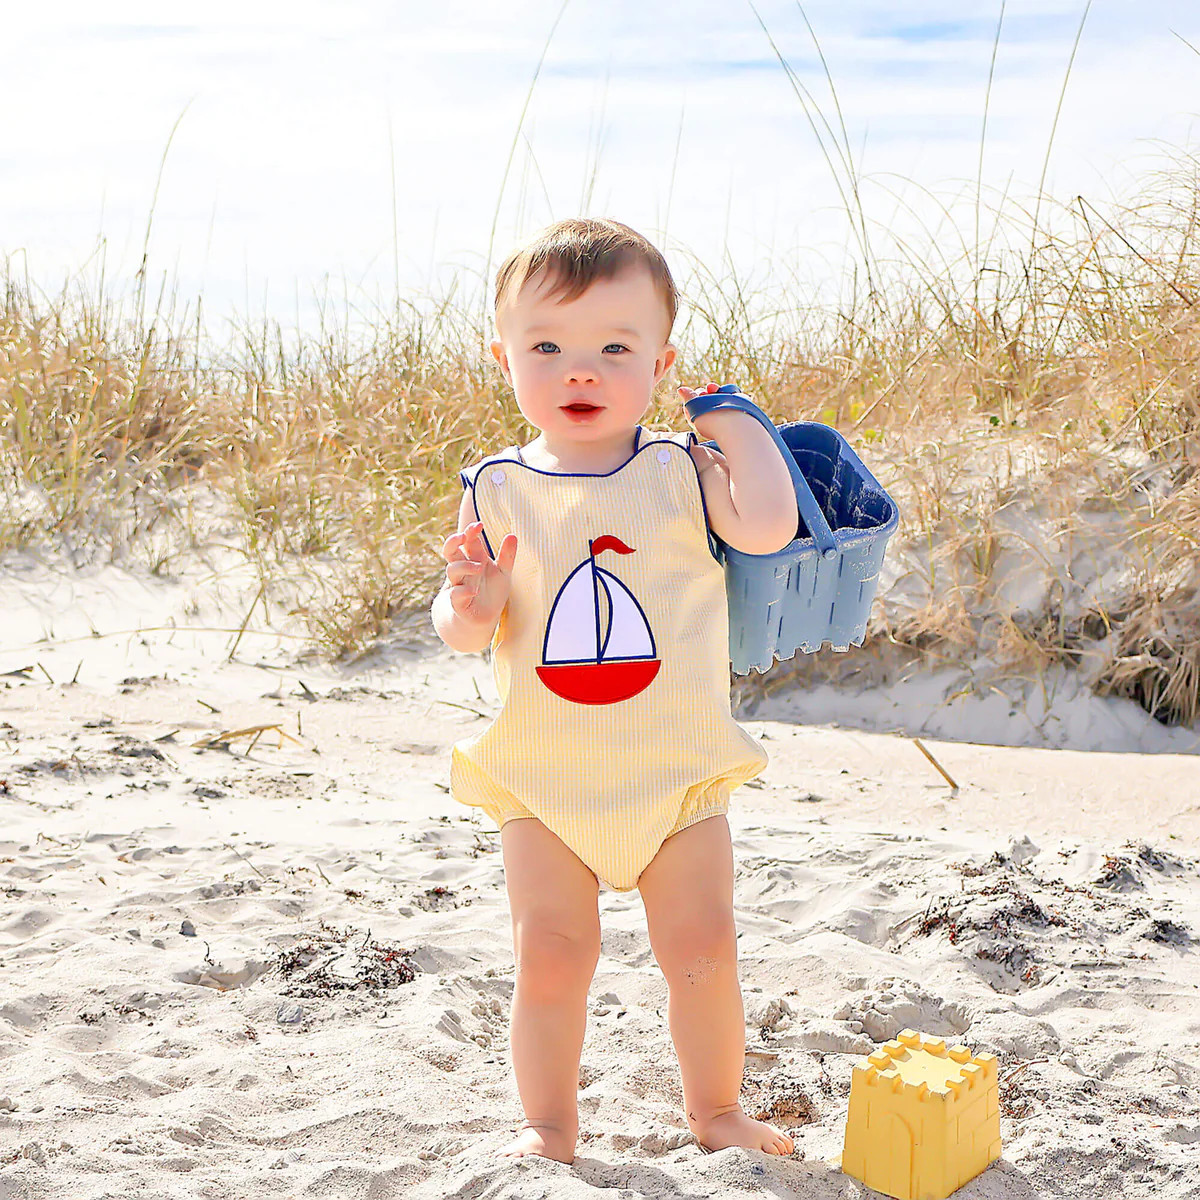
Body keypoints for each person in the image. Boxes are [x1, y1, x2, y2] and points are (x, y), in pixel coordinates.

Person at [430, 217, 799, 1163]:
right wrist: (471, 604)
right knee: (551, 957)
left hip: (675, 772)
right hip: (544, 777)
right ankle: (549, 1125)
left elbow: (765, 526)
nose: (580, 372)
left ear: (660, 362)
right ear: (505, 357)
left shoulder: (678, 467)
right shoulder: (495, 486)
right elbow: (464, 626)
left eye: (615, 350)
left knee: (703, 949)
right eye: (548, 348)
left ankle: (717, 1110)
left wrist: (729, 422)